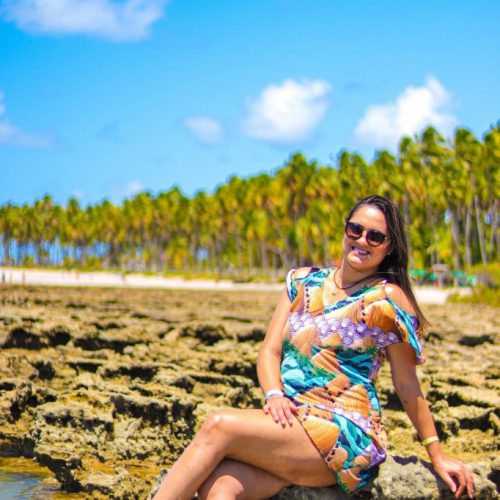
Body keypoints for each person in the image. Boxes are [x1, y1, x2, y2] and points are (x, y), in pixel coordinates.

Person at [153, 195, 474, 500]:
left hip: (345, 431)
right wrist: (274, 394)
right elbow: (269, 352)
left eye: (375, 237)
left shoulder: (386, 299)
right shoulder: (302, 281)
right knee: (219, 487)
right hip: (289, 423)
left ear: (388, 248)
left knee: (217, 426)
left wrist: (437, 453)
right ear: (345, 229)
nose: (362, 240)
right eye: (356, 230)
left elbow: (406, 384)